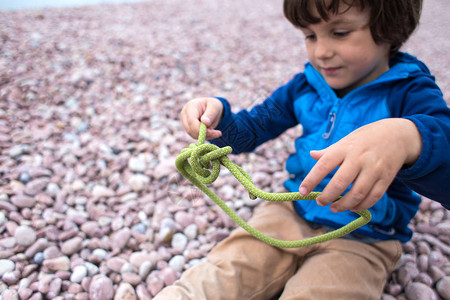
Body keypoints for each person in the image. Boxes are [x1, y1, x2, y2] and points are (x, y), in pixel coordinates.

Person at [155, 0, 450, 299]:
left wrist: (408, 138)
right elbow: (251, 129)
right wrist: (219, 117)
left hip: (368, 235)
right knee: (219, 274)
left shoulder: (411, 92)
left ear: (390, 27)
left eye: (340, 32)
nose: (321, 51)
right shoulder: (306, 86)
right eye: (310, 35)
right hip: (289, 210)